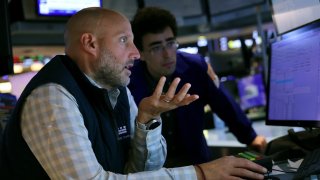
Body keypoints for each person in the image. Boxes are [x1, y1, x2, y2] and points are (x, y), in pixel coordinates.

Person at [0, 7, 267, 180]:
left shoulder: (116, 90)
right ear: (90, 44)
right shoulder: (53, 97)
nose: (136, 54)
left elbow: (140, 172)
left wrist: (147, 122)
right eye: (124, 40)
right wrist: (199, 174)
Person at [129, 7, 267, 167]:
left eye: (170, 43)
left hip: (196, 162)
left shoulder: (195, 67)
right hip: (152, 169)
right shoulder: (128, 79)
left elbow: (224, 104)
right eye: (156, 47)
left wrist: (250, 137)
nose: (167, 54)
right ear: (141, 53)